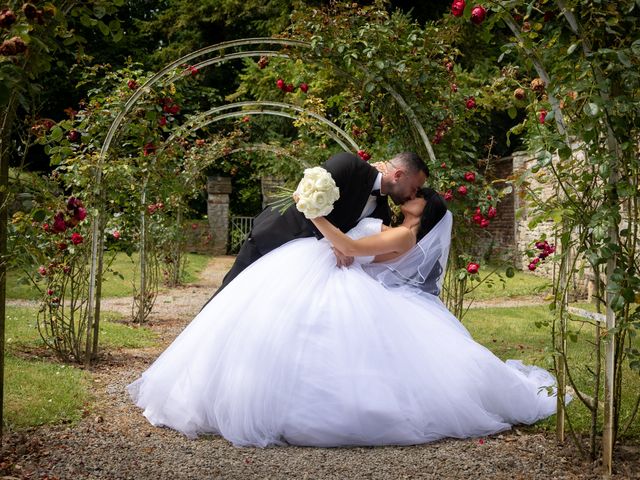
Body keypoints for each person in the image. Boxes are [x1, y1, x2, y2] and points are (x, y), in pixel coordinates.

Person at [128, 188, 564, 447]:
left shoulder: (405, 234)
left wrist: (315, 214)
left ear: (424, 212)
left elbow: (354, 251)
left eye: (416, 199)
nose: (409, 199)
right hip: (332, 277)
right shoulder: (390, 223)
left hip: (344, 282)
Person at [200, 151, 428, 308]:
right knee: (228, 296)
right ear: (398, 175)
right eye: (415, 187)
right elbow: (304, 197)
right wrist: (334, 244)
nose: (413, 195)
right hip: (275, 238)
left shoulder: (381, 212)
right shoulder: (348, 165)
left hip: (299, 270)